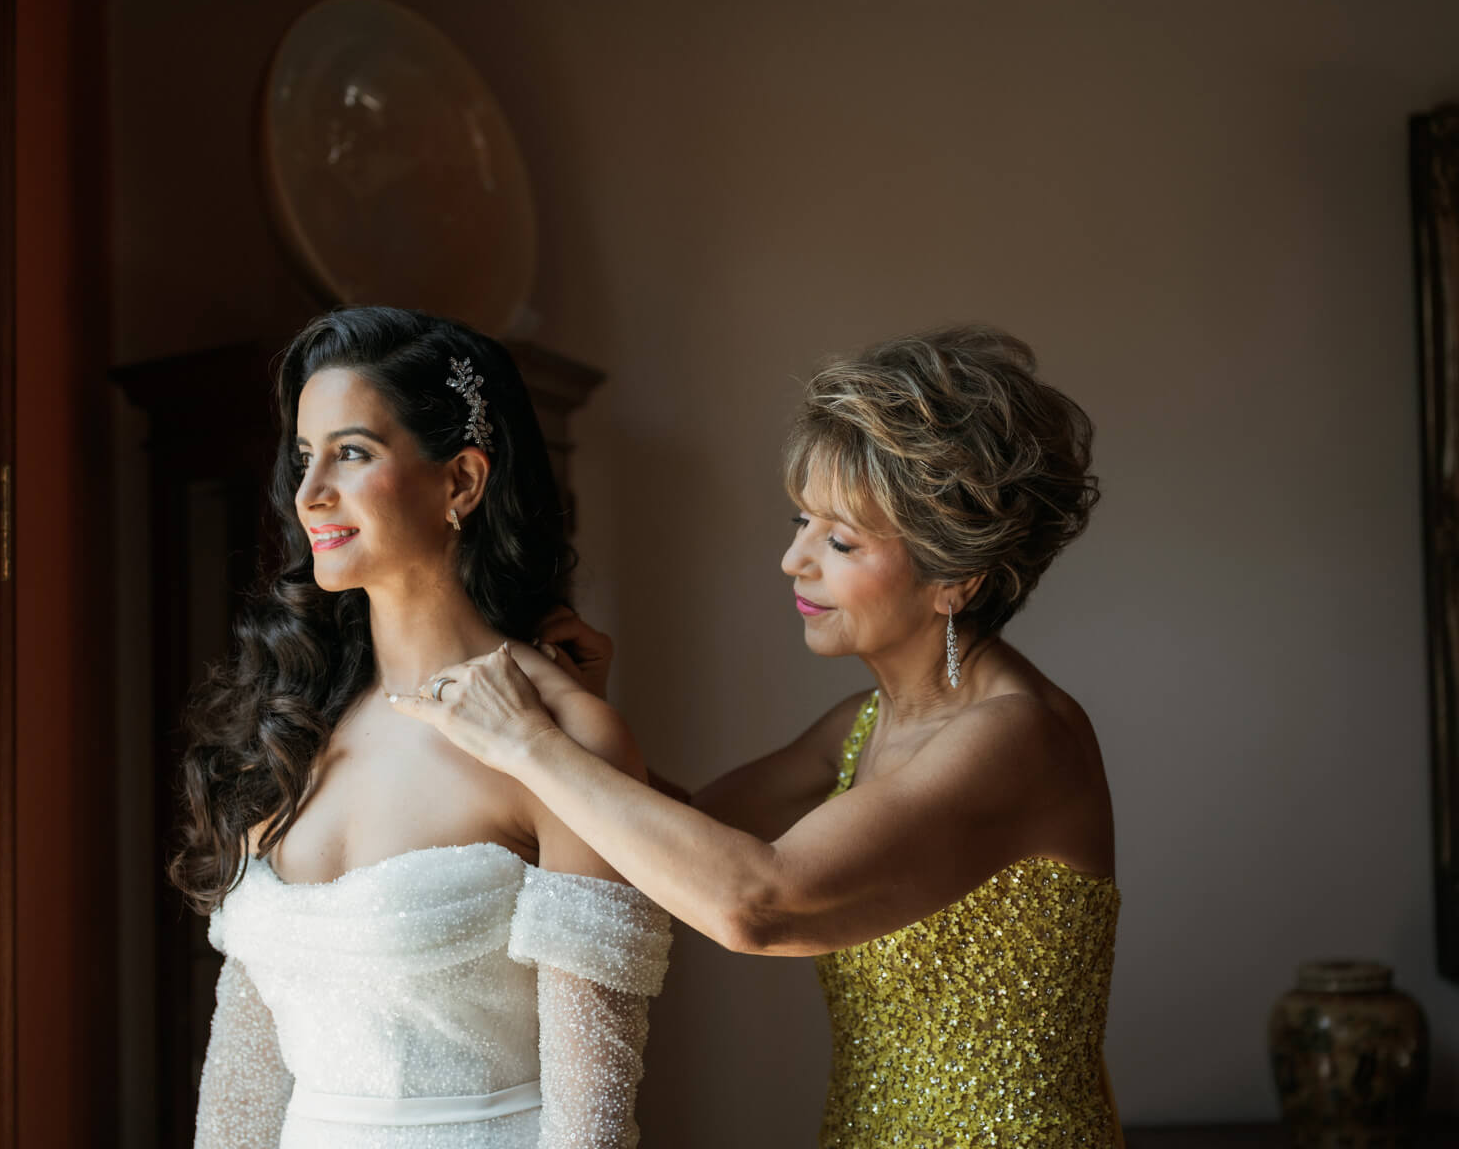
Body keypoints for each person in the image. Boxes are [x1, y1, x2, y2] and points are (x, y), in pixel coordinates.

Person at [394, 326, 1120, 1148]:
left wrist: (531, 745)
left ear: (956, 577)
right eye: (801, 520)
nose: (792, 560)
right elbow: (688, 835)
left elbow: (754, 903)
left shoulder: (1018, 739)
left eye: (839, 540)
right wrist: (581, 710)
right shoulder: (862, 724)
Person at [173, 307, 671, 1148]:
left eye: (352, 453)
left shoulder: (568, 737)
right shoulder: (289, 725)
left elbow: (591, 1125)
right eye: (303, 457)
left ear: (461, 483)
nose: (309, 493)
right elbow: (240, 1090)